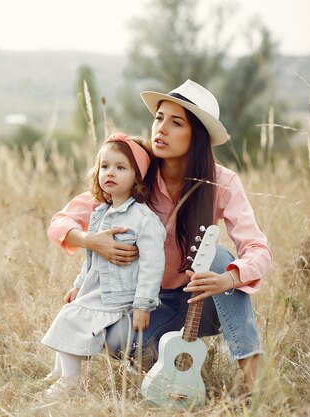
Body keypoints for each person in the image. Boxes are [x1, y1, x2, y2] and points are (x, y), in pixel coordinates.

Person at [47, 80, 272, 397]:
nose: (161, 129)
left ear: (197, 136)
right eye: (158, 118)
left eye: (175, 122)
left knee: (220, 257)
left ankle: (256, 385)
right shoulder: (137, 175)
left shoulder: (222, 182)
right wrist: (90, 240)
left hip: (203, 298)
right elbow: (62, 221)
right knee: (117, 341)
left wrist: (229, 280)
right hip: (153, 301)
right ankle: (165, 363)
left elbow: (258, 251)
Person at [41, 132, 166, 399]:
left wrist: (143, 305)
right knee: (69, 313)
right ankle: (59, 371)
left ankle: (69, 382)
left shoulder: (144, 220)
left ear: (137, 177)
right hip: (96, 289)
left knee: (71, 318)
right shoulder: (99, 213)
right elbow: (92, 258)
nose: (110, 172)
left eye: (121, 168)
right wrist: (78, 285)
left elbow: (152, 266)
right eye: (105, 166)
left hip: (119, 296)